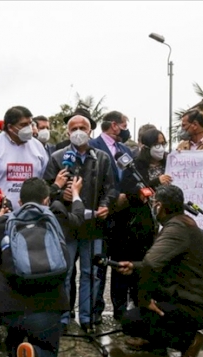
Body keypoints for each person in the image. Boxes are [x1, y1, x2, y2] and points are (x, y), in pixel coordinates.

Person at [0, 177, 84, 357]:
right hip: (49, 307)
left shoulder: (1, 223)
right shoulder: (57, 217)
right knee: (49, 351)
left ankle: (13, 352)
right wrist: (75, 194)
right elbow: (79, 220)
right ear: (46, 200)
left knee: (8, 304)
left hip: (11, 311)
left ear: (20, 200)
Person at [116, 185, 203, 357]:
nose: (153, 206)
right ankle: (157, 341)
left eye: (155, 203)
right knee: (144, 300)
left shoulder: (177, 228)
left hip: (192, 304)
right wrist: (134, 266)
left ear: (160, 206)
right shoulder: (180, 222)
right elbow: (158, 262)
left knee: (130, 320)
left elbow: (151, 263)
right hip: (185, 294)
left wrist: (144, 299)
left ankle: (190, 341)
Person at [43, 115, 116, 331]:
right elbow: (46, 191)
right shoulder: (57, 158)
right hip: (65, 226)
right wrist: (60, 197)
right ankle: (63, 318)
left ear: (90, 131)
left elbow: (110, 187)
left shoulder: (101, 158)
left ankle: (88, 317)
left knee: (90, 273)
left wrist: (105, 205)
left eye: (82, 127)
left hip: (93, 226)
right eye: (73, 128)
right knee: (64, 274)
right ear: (67, 133)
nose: (78, 131)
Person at [113, 128, 172, 320]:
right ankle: (122, 309)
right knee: (130, 267)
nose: (160, 147)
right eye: (156, 144)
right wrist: (155, 182)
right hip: (137, 225)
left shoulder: (169, 163)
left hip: (163, 225)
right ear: (145, 146)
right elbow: (129, 192)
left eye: (163, 143)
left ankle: (148, 305)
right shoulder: (134, 165)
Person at [89, 110, 133, 320]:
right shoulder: (93, 146)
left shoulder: (124, 150)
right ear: (115, 125)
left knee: (120, 262)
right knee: (99, 263)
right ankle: (95, 309)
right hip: (102, 212)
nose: (125, 129)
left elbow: (131, 175)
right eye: (124, 124)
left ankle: (120, 307)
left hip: (124, 215)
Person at [0, 106, 49, 212]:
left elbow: (44, 178)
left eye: (30, 124)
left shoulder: (38, 147)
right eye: (23, 125)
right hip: (0, 213)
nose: (28, 128)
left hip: (32, 214)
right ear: (10, 127)